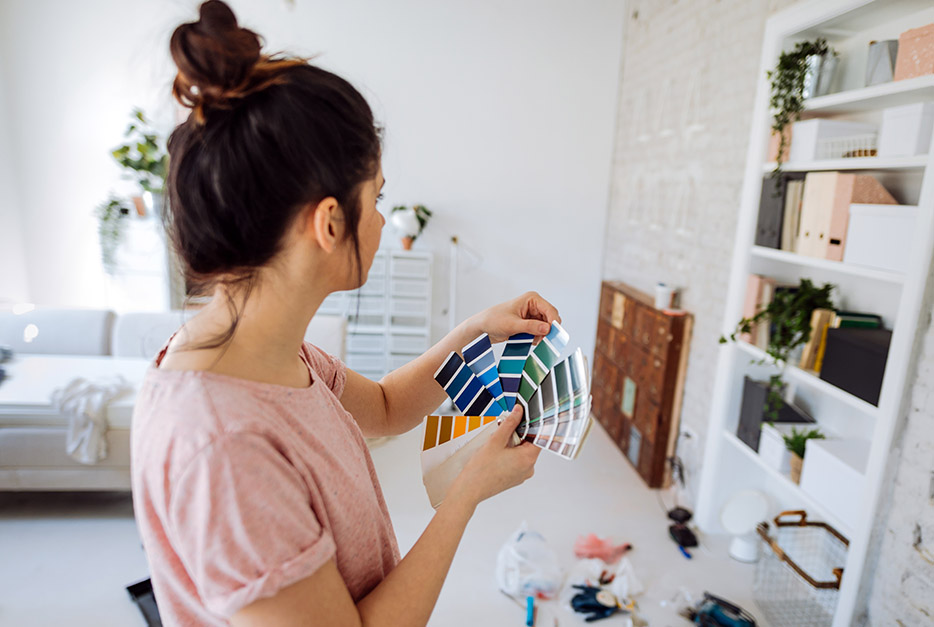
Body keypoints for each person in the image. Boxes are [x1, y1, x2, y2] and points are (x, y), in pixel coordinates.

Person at [130, 2, 560, 625]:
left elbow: (386, 407)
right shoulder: (224, 448)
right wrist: (466, 492)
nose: (383, 221)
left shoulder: (267, 351)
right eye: (376, 198)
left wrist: (473, 334)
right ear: (330, 222)